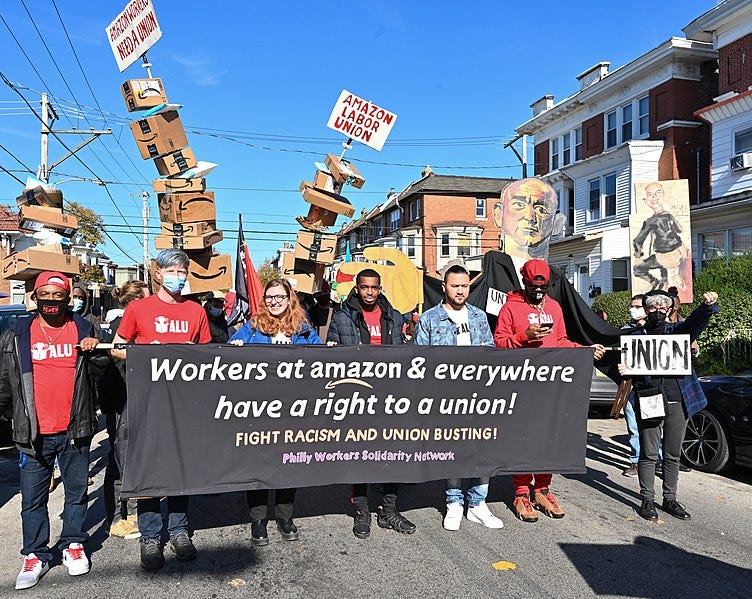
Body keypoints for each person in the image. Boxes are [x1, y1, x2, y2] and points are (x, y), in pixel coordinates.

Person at [0, 271, 104, 590]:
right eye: (45, 294)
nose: (51, 301)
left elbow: (101, 375)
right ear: (34, 297)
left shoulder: (84, 328)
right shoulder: (16, 334)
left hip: (75, 429)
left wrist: (95, 351)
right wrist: (15, 419)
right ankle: (36, 554)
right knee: (32, 499)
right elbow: (4, 384)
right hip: (33, 435)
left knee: (76, 494)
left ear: (68, 298)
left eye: (58, 295)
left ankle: (73, 543)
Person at [112, 249, 211, 571]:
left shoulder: (196, 311)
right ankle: (151, 535)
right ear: (157, 273)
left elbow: (208, 355)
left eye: (183, 272)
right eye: (173, 271)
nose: (179, 277)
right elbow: (116, 347)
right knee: (148, 466)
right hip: (146, 400)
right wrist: (142, 354)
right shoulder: (138, 309)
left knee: (181, 467)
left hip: (184, 403)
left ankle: (180, 531)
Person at [494, 259, 605, 522]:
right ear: (525, 283)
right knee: (522, 438)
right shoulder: (510, 308)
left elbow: (561, 340)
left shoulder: (554, 307)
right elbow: (498, 344)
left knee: (549, 438)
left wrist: (584, 351)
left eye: (543, 288)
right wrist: (524, 337)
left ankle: (542, 489)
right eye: (533, 287)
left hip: (551, 387)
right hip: (520, 385)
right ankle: (521, 491)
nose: (539, 293)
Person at [229, 278, 321, 546]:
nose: (274, 302)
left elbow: (319, 358)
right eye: (269, 297)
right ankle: (258, 520)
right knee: (257, 464)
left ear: (289, 298)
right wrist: (236, 347)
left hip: (292, 407)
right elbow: (230, 350)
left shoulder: (303, 328)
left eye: (280, 297)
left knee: (288, 463)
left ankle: (284, 516)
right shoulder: (253, 326)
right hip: (259, 406)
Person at [414, 264, 504, 531]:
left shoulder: (479, 317)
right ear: (444, 287)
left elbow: (491, 351)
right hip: (446, 398)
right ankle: (454, 502)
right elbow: (418, 359)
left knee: (482, 448)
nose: (460, 291)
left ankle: (478, 504)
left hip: (478, 397)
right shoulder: (430, 319)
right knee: (453, 449)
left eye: (464, 286)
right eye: (455, 286)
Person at [327, 269, 416, 539]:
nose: (369, 292)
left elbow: (403, 357)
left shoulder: (394, 316)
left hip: (389, 400)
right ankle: (362, 511)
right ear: (356, 288)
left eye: (374, 288)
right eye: (364, 287)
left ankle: (389, 511)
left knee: (394, 455)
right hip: (356, 399)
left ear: (380, 289)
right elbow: (331, 359)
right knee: (359, 458)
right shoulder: (343, 318)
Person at [619, 290, 719, 522]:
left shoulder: (677, 332)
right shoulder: (634, 336)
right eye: (652, 307)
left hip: (678, 400)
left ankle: (670, 498)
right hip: (649, 399)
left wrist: (706, 307)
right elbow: (616, 357)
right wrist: (625, 370)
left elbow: (695, 323)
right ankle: (647, 499)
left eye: (662, 307)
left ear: (669, 309)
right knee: (649, 452)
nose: (657, 311)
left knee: (673, 454)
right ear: (646, 309)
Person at [99, 280, 149, 540]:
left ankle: (135, 513)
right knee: (121, 460)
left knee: (134, 458)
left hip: (137, 402)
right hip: (123, 403)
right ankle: (119, 517)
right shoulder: (121, 328)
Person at [632, 182, 690, 292]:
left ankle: (655, 281)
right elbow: (679, 229)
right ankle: (665, 282)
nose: (654, 197)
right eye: (650, 195)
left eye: (657, 193)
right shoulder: (668, 215)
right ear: (646, 200)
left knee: (637, 269)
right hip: (678, 252)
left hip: (666, 255)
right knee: (664, 276)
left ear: (663, 195)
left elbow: (638, 240)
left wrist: (638, 254)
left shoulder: (651, 221)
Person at [493, 178, 558, 260]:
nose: (530, 217)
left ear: (554, 223)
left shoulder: (554, 272)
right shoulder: (493, 269)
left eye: (541, 210)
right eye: (519, 205)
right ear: (499, 214)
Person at [621, 294, 647, 478]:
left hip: (651, 386)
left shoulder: (657, 331)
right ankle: (636, 461)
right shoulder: (626, 331)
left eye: (637, 306)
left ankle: (658, 460)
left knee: (653, 426)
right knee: (634, 426)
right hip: (632, 386)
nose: (633, 310)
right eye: (632, 306)